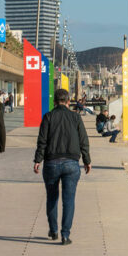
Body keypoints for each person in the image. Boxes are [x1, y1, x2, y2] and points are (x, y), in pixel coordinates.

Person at [33, 88, 91, 245]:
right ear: (68, 101)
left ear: (54, 102)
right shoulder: (75, 117)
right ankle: (65, 234)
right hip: (72, 163)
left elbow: (42, 141)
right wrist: (86, 160)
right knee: (69, 199)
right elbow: (83, 140)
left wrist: (38, 160)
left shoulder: (48, 116)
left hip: (51, 162)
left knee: (52, 198)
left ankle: (53, 231)